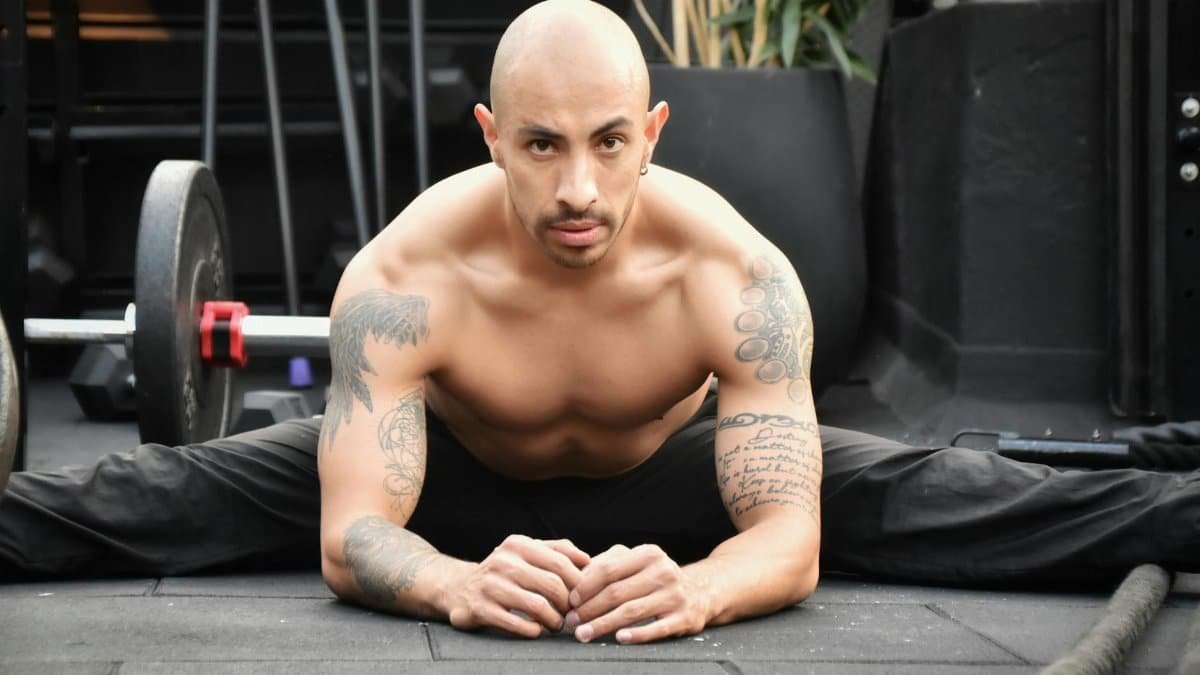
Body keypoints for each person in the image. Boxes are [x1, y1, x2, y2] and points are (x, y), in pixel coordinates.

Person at [0, 0, 1196, 646]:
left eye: (609, 142)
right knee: (132, 502)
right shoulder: (402, 275)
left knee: (986, 501)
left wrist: (706, 590)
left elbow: (786, 538)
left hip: (670, 479)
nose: (578, 188)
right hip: (450, 474)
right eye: (542, 145)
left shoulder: (736, 274)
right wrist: (447, 584)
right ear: (488, 137)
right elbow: (356, 531)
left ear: (655, 132)